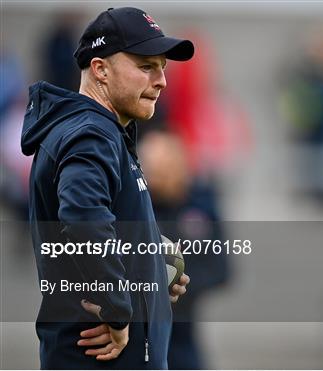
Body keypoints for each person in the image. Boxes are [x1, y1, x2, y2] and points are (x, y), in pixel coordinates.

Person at [20, 7, 194, 369]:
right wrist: (116, 308)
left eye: (163, 67)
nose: (161, 80)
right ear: (100, 69)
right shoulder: (91, 135)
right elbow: (84, 221)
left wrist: (151, 271)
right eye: (146, 66)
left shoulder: (102, 132)